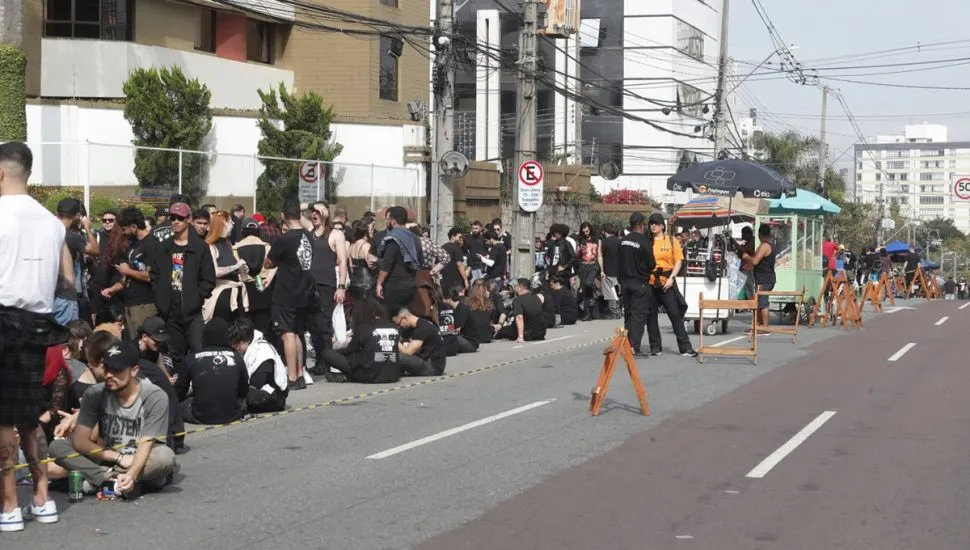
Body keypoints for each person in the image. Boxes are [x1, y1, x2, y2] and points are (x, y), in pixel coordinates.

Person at [0, 142, 70, 532]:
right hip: (39, 323)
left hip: (4, 316)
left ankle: (9, 505)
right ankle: (41, 498)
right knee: (28, 418)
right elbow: (64, 281)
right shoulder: (52, 223)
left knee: (1, 420)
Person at [48, 340, 176, 500]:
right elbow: (80, 442)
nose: (109, 375)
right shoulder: (94, 394)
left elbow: (146, 443)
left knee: (165, 457)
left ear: (134, 370)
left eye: (117, 370)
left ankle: (108, 480)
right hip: (107, 458)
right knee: (57, 446)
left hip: (142, 460)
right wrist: (118, 458)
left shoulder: (154, 396)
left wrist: (131, 473)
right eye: (107, 368)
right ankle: (111, 481)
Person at [153, 202, 216, 365]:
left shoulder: (200, 248)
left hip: (192, 312)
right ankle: (180, 389)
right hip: (170, 312)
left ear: (188, 219)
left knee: (199, 353)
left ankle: (200, 388)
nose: (175, 221)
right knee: (176, 356)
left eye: (180, 218)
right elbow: (155, 275)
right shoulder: (163, 247)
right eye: (172, 218)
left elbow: (209, 279)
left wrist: (196, 298)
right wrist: (161, 300)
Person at [264, 201, 314, 391]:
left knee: (288, 335)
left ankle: (292, 376)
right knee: (297, 333)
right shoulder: (308, 236)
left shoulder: (283, 239)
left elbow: (269, 263)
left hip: (286, 292)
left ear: (284, 216)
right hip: (303, 291)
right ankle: (300, 373)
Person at [174, 319, 250, 425]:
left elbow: (180, 390)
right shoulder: (237, 357)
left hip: (201, 416)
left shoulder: (191, 359)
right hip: (233, 414)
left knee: (181, 405)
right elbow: (244, 390)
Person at [312, 298, 403, 384]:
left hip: (369, 375)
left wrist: (339, 350)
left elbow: (350, 349)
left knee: (326, 353)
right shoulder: (392, 327)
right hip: (393, 375)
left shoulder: (363, 327)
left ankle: (339, 374)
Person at [645, 213, 697, 357]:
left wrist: (672, 279)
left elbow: (679, 261)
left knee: (674, 314)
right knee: (651, 315)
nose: (653, 226)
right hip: (650, 281)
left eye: (656, 223)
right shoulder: (647, 241)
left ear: (663, 225)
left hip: (667, 280)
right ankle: (655, 347)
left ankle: (685, 347)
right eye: (651, 223)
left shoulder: (672, 241)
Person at [307, 202, 348, 361]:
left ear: (325, 213)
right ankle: (319, 358)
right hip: (309, 285)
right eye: (313, 212)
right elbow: (295, 210)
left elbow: (343, 262)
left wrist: (341, 287)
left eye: (318, 211)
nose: (314, 214)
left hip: (326, 285)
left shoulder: (336, 234)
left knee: (324, 324)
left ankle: (327, 360)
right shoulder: (309, 231)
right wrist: (312, 205)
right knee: (312, 325)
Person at [113, 207, 161, 339]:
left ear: (134, 226)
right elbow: (128, 274)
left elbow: (150, 275)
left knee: (145, 341)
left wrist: (127, 270)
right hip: (131, 302)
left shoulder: (152, 244)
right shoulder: (133, 244)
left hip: (145, 304)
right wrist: (114, 288)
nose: (123, 232)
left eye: (124, 229)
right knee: (135, 343)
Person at [228, 316, 288, 413]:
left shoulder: (263, 351)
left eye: (237, 343)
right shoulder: (251, 349)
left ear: (246, 339)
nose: (234, 346)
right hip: (260, 394)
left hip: (273, 397)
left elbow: (258, 382)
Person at [617, 213, 655, 356]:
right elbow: (652, 264)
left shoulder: (623, 241)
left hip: (625, 283)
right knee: (639, 316)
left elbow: (618, 262)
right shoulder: (645, 242)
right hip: (640, 283)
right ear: (642, 225)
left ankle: (626, 344)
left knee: (628, 314)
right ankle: (634, 347)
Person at [375, 206, 421, 313]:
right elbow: (420, 262)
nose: (386, 222)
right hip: (411, 286)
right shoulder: (415, 239)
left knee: (392, 319)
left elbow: (387, 264)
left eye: (388, 219)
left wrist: (379, 283)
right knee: (408, 319)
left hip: (393, 287)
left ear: (393, 221)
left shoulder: (392, 239)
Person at [736, 223, 776, 330]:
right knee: (758, 302)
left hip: (764, 279)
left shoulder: (764, 246)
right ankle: (758, 325)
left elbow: (755, 260)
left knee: (762, 303)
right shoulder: (769, 245)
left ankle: (765, 327)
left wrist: (746, 256)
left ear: (759, 234)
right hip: (764, 277)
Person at [391, 307, 447, 376]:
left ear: (405, 317)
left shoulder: (422, 327)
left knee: (396, 356)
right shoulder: (411, 328)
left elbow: (408, 352)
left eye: (399, 324)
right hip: (424, 360)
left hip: (432, 366)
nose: (399, 327)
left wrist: (393, 339)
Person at [496, 278, 547, 343]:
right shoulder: (536, 297)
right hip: (541, 333)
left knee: (503, 330)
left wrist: (520, 337)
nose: (515, 288)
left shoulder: (517, 300)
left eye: (516, 286)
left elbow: (519, 317)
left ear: (520, 287)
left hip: (527, 334)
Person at [598, 223, 622, 319]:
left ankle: (614, 311)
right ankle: (619, 308)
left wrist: (601, 270)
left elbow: (600, 256)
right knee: (618, 291)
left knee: (609, 292)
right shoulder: (619, 241)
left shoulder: (603, 242)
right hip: (619, 270)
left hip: (607, 269)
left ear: (604, 231)